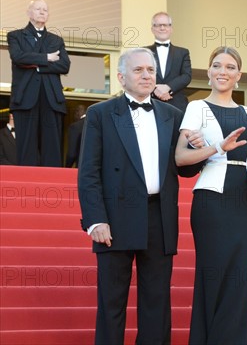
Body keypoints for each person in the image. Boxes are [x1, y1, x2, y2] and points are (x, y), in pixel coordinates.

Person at [78, 48, 183, 344]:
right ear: (122, 77)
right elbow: (88, 172)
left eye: (150, 70)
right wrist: (96, 220)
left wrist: (201, 149)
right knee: (112, 303)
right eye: (138, 70)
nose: (147, 75)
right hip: (115, 217)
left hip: (158, 217)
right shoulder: (100, 114)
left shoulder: (172, 115)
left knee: (157, 303)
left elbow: (183, 169)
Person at [174, 47, 247, 343]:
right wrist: (217, 148)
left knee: (241, 280)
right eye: (217, 65)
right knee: (216, 277)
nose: (223, 71)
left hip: (245, 201)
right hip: (212, 201)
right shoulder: (196, 108)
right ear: (208, 72)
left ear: (239, 76)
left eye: (230, 67)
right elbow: (181, 157)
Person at [7, 0, 71, 167]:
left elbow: (64, 65)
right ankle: (26, 187)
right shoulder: (15, 36)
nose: (43, 12)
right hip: (25, 98)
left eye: (45, 10)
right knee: (26, 148)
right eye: (38, 9)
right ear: (29, 13)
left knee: (52, 147)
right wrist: (47, 58)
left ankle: (53, 186)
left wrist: (37, 66)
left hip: (52, 100)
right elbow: (18, 57)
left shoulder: (56, 40)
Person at [147, 12, 192, 111]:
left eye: (165, 25)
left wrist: (168, 87)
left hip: (177, 106)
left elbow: (186, 76)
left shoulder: (183, 52)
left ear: (171, 29)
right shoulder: (144, 52)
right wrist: (155, 90)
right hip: (150, 104)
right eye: (158, 25)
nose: (162, 28)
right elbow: (140, 74)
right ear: (152, 29)